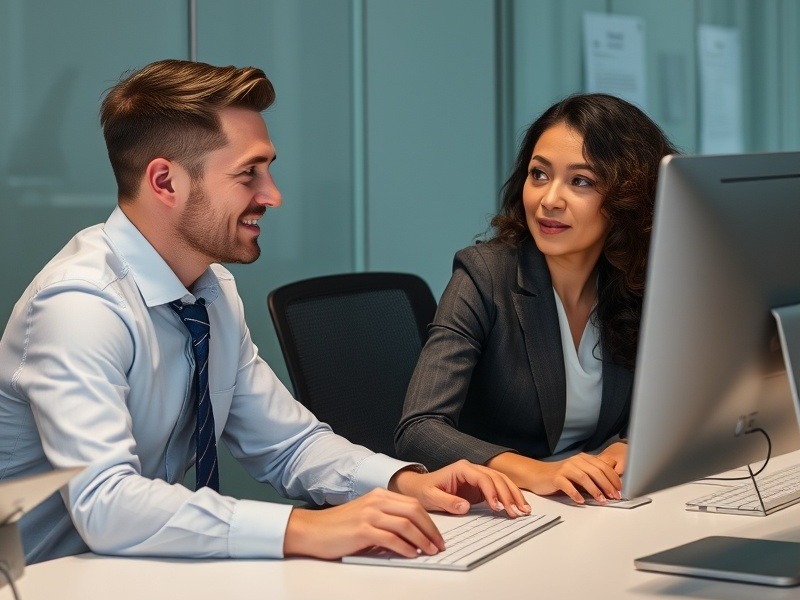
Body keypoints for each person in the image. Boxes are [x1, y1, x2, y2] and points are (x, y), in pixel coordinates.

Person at [0, 59, 530, 565]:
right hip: (48, 580)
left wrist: (403, 482)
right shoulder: (78, 305)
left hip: (143, 572)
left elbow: (288, 445)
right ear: (165, 182)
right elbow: (106, 504)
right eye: (248, 173)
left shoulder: (209, 293)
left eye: (268, 170)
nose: (272, 195)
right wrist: (303, 529)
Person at [395, 93, 678, 505]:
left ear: (627, 199)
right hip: (499, 507)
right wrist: (539, 472)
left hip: (587, 507)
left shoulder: (636, 282)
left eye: (580, 181)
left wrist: (629, 445)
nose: (549, 200)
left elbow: (675, 400)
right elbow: (419, 427)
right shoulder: (485, 276)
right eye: (539, 175)